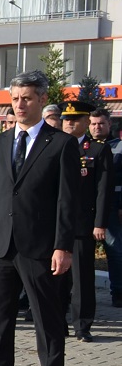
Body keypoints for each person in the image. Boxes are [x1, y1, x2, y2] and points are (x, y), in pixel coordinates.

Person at [0, 71, 82, 366]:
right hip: (1, 245)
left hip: (40, 248)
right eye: (15, 98)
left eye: (27, 98)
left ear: (41, 100)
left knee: (47, 324)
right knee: (0, 321)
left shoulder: (61, 144)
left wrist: (62, 246)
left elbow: (68, 201)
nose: (20, 104)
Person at [61, 101, 110, 342]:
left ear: (85, 123)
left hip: (82, 224)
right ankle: (58, 323)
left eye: (76, 119)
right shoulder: (53, 146)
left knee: (81, 278)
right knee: (56, 277)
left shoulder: (97, 150)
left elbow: (103, 191)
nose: (70, 122)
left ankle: (82, 326)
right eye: (67, 119)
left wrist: (99, 223)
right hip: (55, 224)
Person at [91, 108, 122, 307]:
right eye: (93, 123)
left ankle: (118, 293)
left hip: (113, 207)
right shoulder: (83, 146)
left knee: (115, 251)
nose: (97, 127)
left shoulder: (119, 147)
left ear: (109, 124)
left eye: (101, 123)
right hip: (87, 209)